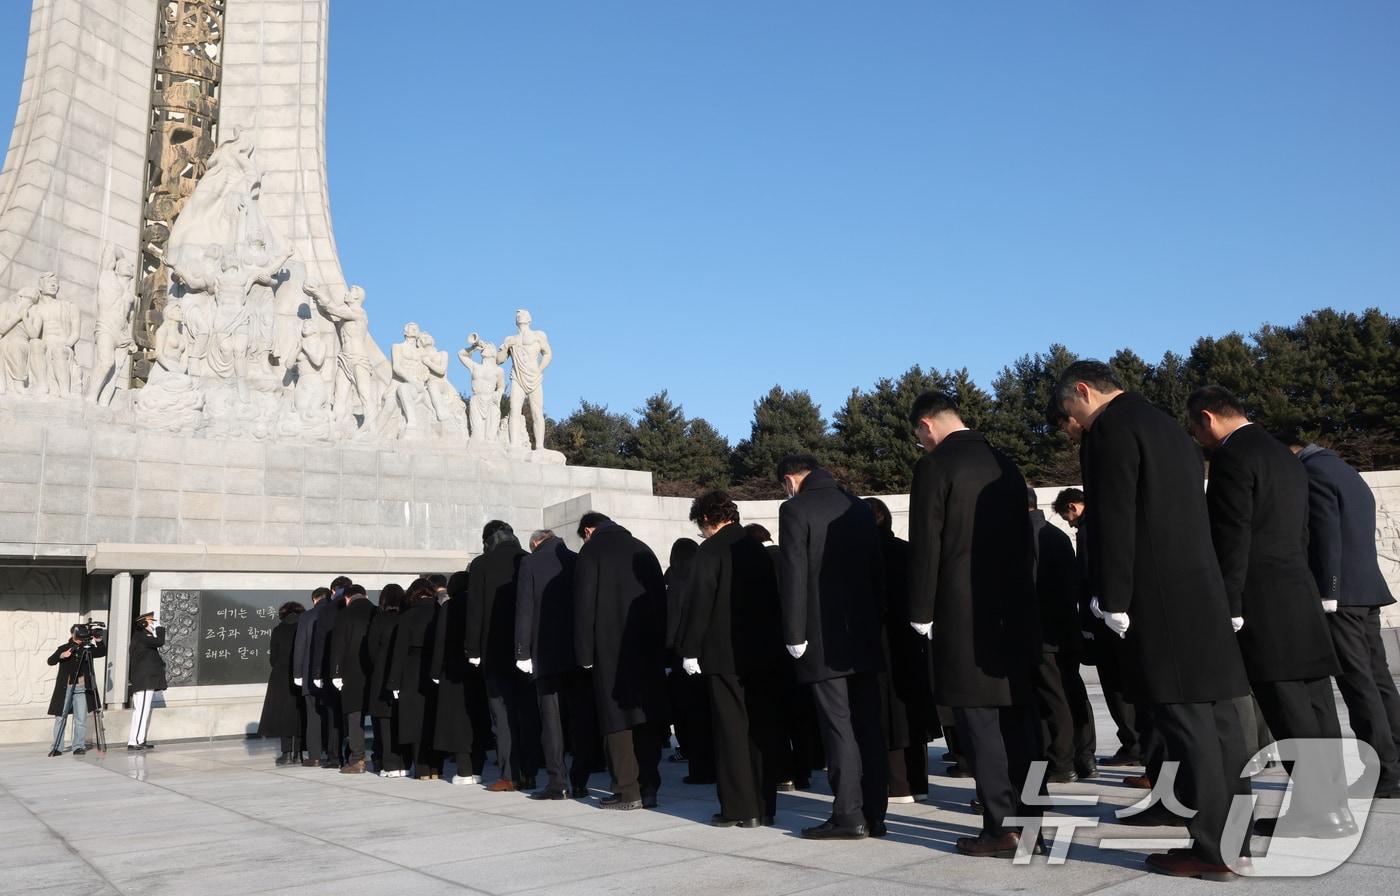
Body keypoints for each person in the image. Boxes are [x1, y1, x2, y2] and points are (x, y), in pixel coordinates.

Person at [1056, 360, 1251, 881]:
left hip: (1159, 597)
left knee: (1188, 723)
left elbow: (1114, 516)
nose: (1071, 420)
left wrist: (1112, 597)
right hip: (1200, 589)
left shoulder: (1111, 430)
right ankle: (1238, 838)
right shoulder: (1166, 424)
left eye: (1069, 409)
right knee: (1221, 720)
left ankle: (1214, 850)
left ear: (1082, 392)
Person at [1187, 386, 1352, 837]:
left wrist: (1229, 601)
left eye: (1196, 429)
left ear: (1208, 418)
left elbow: (1232, 535)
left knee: (1290, 711)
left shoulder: (1233, 457)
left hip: (1263, 600)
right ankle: (1333, 807)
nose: (1198, 439)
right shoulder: (1286, 456)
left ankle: (1320, 813)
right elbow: (1302, 530)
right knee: (1317, 707)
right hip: (1297, 592)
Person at [906, 393, 1043, 858]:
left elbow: (928, 542)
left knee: (980, 721)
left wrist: (921, 611)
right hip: (1015, 610)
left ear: (926, 426)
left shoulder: (936, 467)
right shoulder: (1005, 464)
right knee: (1019, 721)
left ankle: (1002, 829)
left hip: (963, 611)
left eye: (918, 436)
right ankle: (1030, 825)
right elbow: (1026, 543)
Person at [1280, 429, 1400, 799]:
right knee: (1378, 679)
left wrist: (1327, 590)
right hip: (1366, 590)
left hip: (1342, 595)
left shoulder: (1313, 473)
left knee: (1357, 681)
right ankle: (1395, 761)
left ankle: (1385, 770)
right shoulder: (1343, 469)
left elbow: (1327, 533)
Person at [775, 454, 888, 840]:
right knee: (869, 727)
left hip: (821, 639)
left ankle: (848, 815)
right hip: (865, 635)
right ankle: (875, 813)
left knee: (838, 728)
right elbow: (876, 570)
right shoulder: (857, 507)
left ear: (791, 480)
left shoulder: (794, 509)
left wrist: (794, 634)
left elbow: (793, 573)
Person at [678, 490, 787, 828]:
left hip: (723, 655)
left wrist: (689, 649)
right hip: (765, 652)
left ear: (707, 519)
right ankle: (765, 805)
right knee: (763, 729)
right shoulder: (755, 547)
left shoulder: (709, 551)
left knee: (731, 732)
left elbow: (699, 605)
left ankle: (741, 808)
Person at [575, 511, 669, 810]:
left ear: (589, 530)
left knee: (616, 719)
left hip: (609, 648)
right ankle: (650, 786)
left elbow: (583, 605)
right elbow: (661, 601)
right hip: (649, 647)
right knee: (646, 716)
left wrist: (584, 653)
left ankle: (626, 790)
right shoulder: (643, 548)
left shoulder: (591, 551)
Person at [515, 528, 599, 799]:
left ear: (536, 543)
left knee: (551, 722)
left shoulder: (530, 562)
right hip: (578, 653)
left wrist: (521, 652)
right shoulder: (577, 559)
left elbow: (525, 609)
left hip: (546, 653)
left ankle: (557, 782)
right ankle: (580, 780)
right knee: (580, 718)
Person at [865, 497, 932, 805]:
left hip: (878, 642)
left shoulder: (862, 557)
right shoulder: (907, 551)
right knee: (912, 708)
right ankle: (918, 782)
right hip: (911, 639)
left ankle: (898, 785)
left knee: (886, 714)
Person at [1029, 488, 1097, 782]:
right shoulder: (1056, 536)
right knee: (1073, 691)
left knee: (1053, 698)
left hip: (1043, 631)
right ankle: (1085, 758)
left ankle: (1061, 762)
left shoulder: (1025, 539)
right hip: (1067, 627)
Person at [466, 520, 538, 791]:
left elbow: (475, 612)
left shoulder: (482, 565)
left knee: (502, 718)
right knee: (528, 714)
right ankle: (530, 771)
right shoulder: (527, 560)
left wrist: (472, 650)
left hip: (494, 652)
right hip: (527, 651)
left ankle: (510, 774)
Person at [664, 538, 715, 783]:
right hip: (709, 650)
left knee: (689, 714)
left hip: (681, 652)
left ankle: (699, 767)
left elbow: (672, 618)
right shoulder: (704, 572)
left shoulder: (673, 578)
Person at [433, 570, 488, 785]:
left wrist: (435, 671)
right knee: (478, 720)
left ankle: (464, 771)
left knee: (458, 722)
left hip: (454, 670)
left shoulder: (451, 606)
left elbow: (441, 640)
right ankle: (478, 768)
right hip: (479, 669)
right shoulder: (480, 602)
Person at [389, 579, 443, 779]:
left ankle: (422, 769)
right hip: (437, 668)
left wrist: (394, 681)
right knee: (434, 718)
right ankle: (436, 767)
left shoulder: (407, 616)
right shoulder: (440, 612)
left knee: (415, 721)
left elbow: (399, 651)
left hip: (412, 670)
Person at [332, 584, 377, 774]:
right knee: (378, 714)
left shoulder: (344, 615)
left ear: (347, 598)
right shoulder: (377, 611)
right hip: (376, 670)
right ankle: (380, 756)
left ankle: (357, 759)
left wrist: (336, 673)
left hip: (352, 671)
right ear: (365, 595)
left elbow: (338, 647)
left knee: (354, 715)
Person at [366, 584, 409, 777]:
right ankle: (404, 763)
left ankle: (390, 765)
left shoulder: (379, 620)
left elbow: (371, 651)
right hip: (404, 675)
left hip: (382, 675)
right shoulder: (406, 618)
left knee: (384, 721)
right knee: (402, 720)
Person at [46, 623, 107, 756]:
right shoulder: (65, 648)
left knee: (80, 718)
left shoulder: (88, 648)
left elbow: (102, 652)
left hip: (82, 687)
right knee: (60, 717)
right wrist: (61, 656)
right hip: (66, 688)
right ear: (73, 634)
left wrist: (99, 641)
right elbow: (50, 661)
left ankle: (78, 746)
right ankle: (57, 747)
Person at [258, 601, 306, 765]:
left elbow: (273, 658)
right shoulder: (303, 628)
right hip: (301, 675)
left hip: (280, 676)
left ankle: (286, 753)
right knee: (300, 714)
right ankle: (299, 753)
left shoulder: (278, 630)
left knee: (284, 714)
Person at [292, 587, 332, 766]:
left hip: (310, 673)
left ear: (314, 599)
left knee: (313, 716)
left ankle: (315, 755)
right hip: (332, 673)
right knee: (332, 716)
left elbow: (300, 646)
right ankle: (334, 754)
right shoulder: (336, 613)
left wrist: (297, 673)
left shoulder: (307, 616)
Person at [128, 611, 168, 751]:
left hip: (143, 680)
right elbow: (160, 642)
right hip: (145, 681)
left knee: (140, 711)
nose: (152, 623)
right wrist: (160, 629)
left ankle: (137, 739)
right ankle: (136, 741)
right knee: (142, 711)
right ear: (143, 623)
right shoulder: (142, 635)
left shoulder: (141, 637)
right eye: (150, 621)